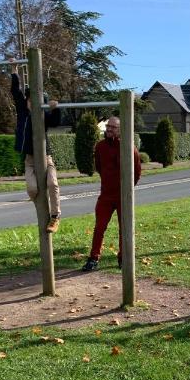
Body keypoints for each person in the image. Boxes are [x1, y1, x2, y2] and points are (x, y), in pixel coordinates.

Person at [82, 116, 141, 272]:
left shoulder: (128, 147)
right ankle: (93, 258)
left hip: (123, 196)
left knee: (125, 228)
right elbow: (99, 167)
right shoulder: (100, 146)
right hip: (106, 196)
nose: (109, 129)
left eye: (113, 127)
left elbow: (137, 171)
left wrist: (127, 189)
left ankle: (123, 258)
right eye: (108, 126)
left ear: (121, 130)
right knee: (99, 227)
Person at [10, 63, 62, 233]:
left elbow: (55, 122)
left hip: (46, 157)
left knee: (52, 184)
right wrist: (14, 71)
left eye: (36, 101)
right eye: (29, 100)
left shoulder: (43, 115)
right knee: (32, 189)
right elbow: (15, 92)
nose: (32, 103)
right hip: (30, 160)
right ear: (26, 101)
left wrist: (55, 109)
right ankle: (42, 208)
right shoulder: (22, 112)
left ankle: (55, 217)